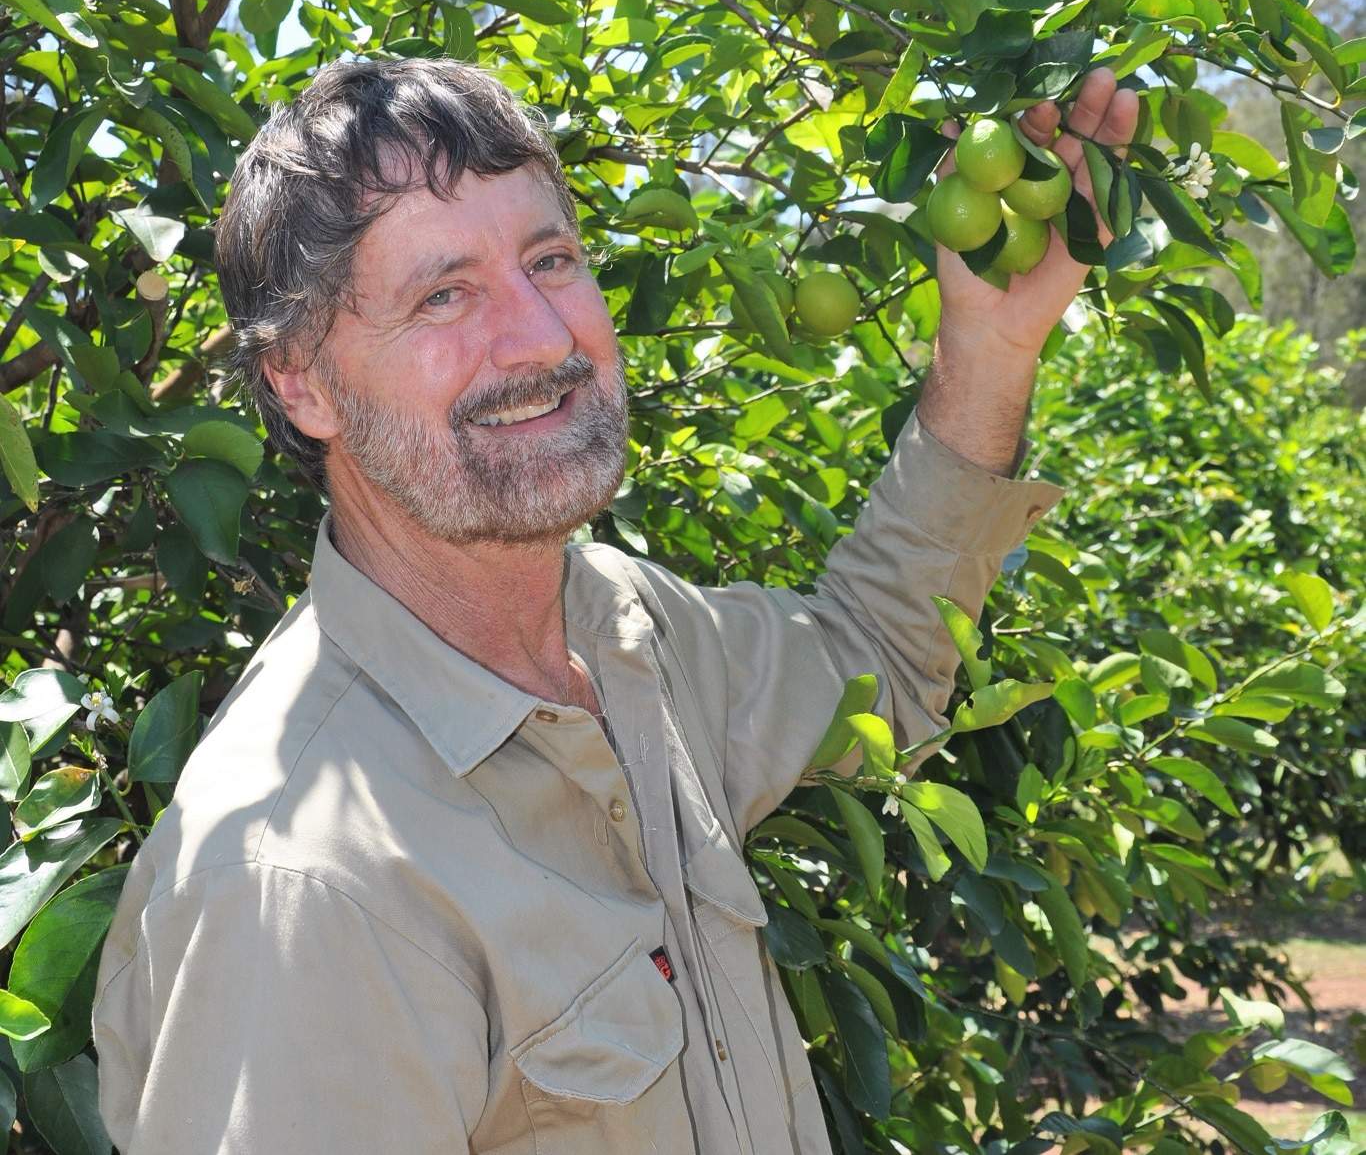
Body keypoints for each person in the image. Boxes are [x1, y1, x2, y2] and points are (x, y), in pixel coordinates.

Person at [92, 56, 1138, 1154]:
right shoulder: (305, 887)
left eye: (552, 259)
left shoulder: (623, 630)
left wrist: (987, 347)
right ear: (301, 382)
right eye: (444, 293)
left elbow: (868, 655)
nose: (543, 337)